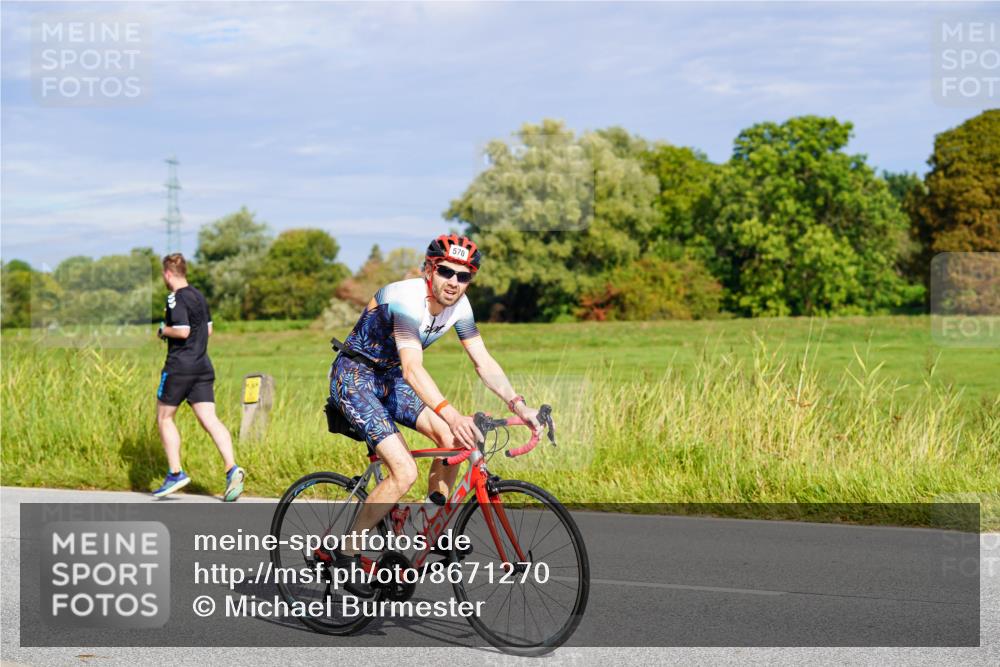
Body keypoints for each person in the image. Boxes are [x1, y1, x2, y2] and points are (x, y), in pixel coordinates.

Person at [327, 234, 540, 594]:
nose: (454, 283)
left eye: (464, 276)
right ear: (429, 269)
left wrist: (518, 404)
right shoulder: (405, 300)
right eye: (446, 272)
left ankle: (431, 524)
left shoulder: (460, 306)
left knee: (452, 439)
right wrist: (453, 413)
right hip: (356, 377)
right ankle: (346, 554)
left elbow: (483, 361)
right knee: (404, 470)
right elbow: (412, 368)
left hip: (389, 379)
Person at [153, 253, 245, 501]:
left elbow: (182, 331)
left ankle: (175, 473)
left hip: (179, 366)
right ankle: (231, 468)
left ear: (167, 274)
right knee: (210, 419)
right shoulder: (199, 296)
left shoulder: (175, 298)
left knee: (164, 417)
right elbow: (209, 329)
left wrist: (163, 330)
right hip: (202, 365)